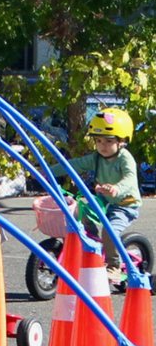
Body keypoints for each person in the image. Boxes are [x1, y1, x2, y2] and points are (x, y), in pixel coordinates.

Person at [52, 107, 141, 279]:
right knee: (79, 209)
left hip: (125, 205)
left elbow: (130, 178)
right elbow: (74, 164)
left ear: (121, 141)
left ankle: (114, 266)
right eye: (98, 141)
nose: (102, 146)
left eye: (108, 141)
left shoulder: (125, 158)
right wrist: (47, 171)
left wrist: (117, 188)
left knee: (109, 231)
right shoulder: (97, 158)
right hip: (104, 200)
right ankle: (91, 242)